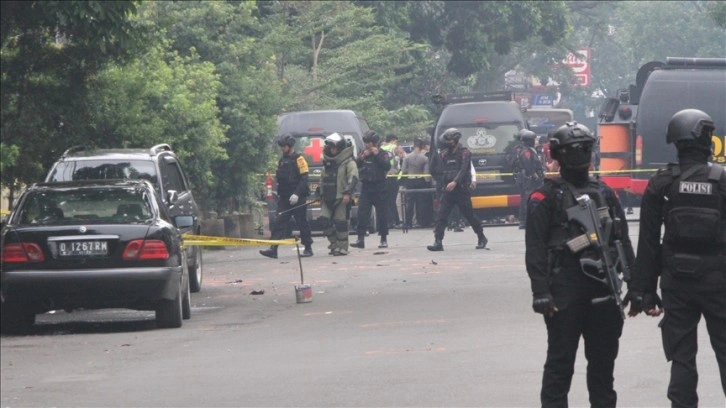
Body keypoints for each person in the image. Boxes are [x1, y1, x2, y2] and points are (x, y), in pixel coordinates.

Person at [525, 121, 635, 407]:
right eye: (574, 150)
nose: (580, 156)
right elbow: (535, 247)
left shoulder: (605, 193)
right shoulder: (546, 196)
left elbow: (622, 241)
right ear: (559, 155)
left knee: (602, 371)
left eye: (584, 149)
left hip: (603, 290)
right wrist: (541, 291)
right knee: (560, 367)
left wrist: (636, 286)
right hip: (564, 291)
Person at [625, 109, 725, 407]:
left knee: (682, 359)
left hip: (677, 284)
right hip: (719, 283)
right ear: (707, 141)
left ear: (676, 142)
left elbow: (648, 243)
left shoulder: (662, 183)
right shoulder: (721, 181)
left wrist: (643, 291)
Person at [427, 128, 487, 251]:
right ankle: (438, 241)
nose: (446, 142)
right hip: (448, 190)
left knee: (469, 216)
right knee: (441, 216)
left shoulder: (464, 152)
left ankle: (481, 237)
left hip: (461, 190)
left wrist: (455, 181)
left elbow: (464, 169)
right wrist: (441, 179)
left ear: (454, 140)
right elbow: (435, 168)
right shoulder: (444, 153)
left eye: (448, 140)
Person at [260, 134, 313, 259]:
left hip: (297, 198)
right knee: (279, 222)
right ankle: (273, 248)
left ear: (290, 146)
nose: (282, 149)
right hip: (284, 198)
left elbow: (304, 178)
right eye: (281, 146)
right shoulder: (282, 160)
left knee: (302, 223)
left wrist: (297, 193)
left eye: (284, 146)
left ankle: (308, 248)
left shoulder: (299, 159)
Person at [318, 133, 359, 256]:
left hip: (341, 197)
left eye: (335, 148)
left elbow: (353, 177)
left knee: (340, 223)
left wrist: (347, 193)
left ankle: (342, 247)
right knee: (323, 220)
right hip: (327, 197)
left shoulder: (348, 162)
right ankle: (334, 243)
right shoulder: (328, 163)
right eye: (331, 147)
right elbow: (322, 178)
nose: (332, 150)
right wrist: (320, 193)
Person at [351, 130, 391, 249]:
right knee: (362, 213)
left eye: (369, 142)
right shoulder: (363, 153)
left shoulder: (383, 153)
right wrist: (363, 156)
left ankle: (383, 239)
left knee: (382, 215)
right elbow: (355, 164)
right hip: (366, 187)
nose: (367, 145)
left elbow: (387, 166)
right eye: (366, 142)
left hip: (380, 187)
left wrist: (377, 154)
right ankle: (360, 239)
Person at [515, 129, 545, 230]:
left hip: (529, 178)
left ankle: (523, 220)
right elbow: (528, 164)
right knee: (527, 199)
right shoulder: (526, 151)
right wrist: (534, 175)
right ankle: (525, 221)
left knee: (526, 198)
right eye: (533, 139)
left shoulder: (530, 149)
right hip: (529, 178)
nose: (535, 141)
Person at [401, 137, 430, 229]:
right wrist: (428, 181)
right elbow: (426, 173)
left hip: (410, 180)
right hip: (420, 180)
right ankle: (421, 222)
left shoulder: (407, 157)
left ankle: (408, 223)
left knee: (409, 202)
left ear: (413, 145)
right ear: (421, 146)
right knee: (421, 202)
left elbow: (403, 170)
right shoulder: (425, 158)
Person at [381, 133, 402, 228]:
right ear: (393, 140)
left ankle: (388, 221)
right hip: (392, 175)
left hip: (383, 176)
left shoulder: (381, 147)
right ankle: (395, 220)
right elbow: (399, 160)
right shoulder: (394, 147)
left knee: (385, 200)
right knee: (392, 200)